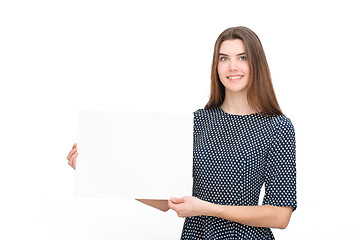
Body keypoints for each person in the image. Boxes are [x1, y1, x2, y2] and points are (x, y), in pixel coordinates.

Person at [67, 26, 296, 239]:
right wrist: (95, 170)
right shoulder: (198, 121)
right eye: (224, 58)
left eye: (242, 58)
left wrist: (206, 208)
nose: (232, 66)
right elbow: (168, 201)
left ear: (257, 64)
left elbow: (280, 215)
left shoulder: (277, 127)